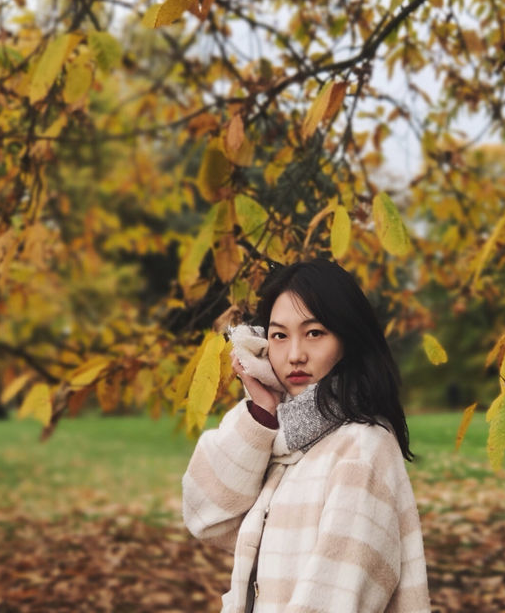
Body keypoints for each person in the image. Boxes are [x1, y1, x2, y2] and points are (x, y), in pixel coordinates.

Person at [181, 259, 431, 612]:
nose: (295, 355)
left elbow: (334, 600)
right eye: (279, 335)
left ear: (349, 339)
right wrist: (260, 414)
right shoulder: (282, 439)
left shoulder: (361, 449)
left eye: (314, 333)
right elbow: (206, 517)